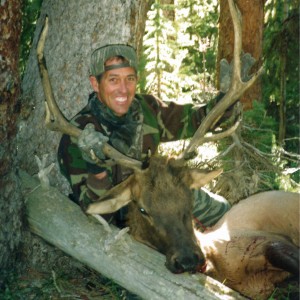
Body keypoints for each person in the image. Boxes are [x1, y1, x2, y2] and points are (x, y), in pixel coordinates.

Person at [58, 44, 230, 230]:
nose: (123, 90)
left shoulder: (145, 108)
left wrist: (226, 101)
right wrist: (96, 168)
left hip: (155, 198)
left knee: (223, 211)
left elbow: (193, 120)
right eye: (113, 80)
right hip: (117, 222)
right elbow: (96, 214)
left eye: (129, 79)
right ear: (95, 83)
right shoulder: (77, 136)